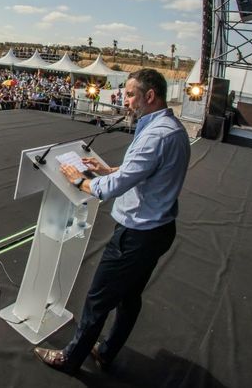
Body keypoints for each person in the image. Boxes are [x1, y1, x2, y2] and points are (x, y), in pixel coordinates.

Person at [34, 68, 190, 374]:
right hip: (158, 230)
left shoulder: (155, 135)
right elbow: (148, 169)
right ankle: (106, 352)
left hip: (136, 234)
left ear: (149, 96)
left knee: (98, 299)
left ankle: (70, 358)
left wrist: (79, 180)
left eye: (130, 95)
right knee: (130, 296)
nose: (126, 101)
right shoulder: (172, 128)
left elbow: (109, 191)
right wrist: (112, 168)